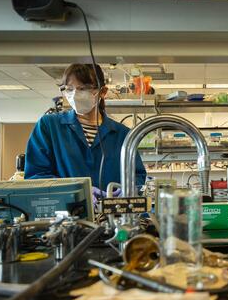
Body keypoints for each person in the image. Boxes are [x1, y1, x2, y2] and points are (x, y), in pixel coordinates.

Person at [25, 64, 146, 201]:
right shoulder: (49, 126)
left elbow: (138, 175)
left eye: (82, 89)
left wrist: (129, 189)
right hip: (66, 215)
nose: (75, 95)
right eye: (69, 89)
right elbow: (36, 176)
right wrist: (77, 192)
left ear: (102, 92)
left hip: (112, 215)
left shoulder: (122, 134)